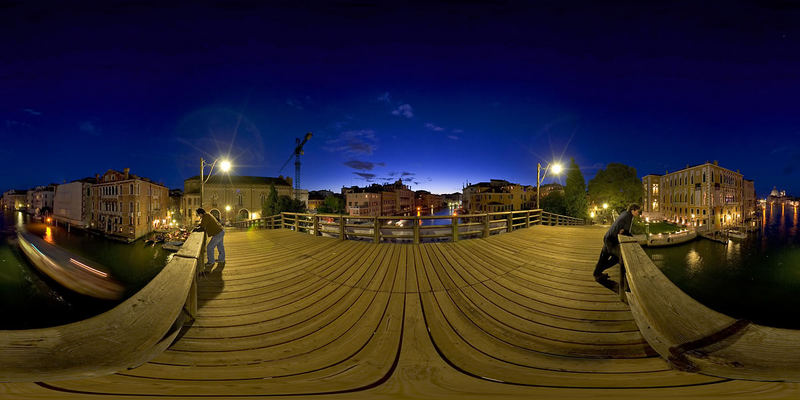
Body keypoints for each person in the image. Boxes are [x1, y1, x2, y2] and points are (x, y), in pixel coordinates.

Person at [593, 203, 641, 282]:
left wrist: (623, 231)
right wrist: (633, 238)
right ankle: (598, 271)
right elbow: (626, 232)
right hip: (611, 240)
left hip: (608, 237)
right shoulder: (628, 217)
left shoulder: (625, 213)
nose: (638, 213)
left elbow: (623, 230)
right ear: (633, 210)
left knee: (603, 257)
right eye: (637, 211)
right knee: (618, 257)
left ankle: (597, 273)